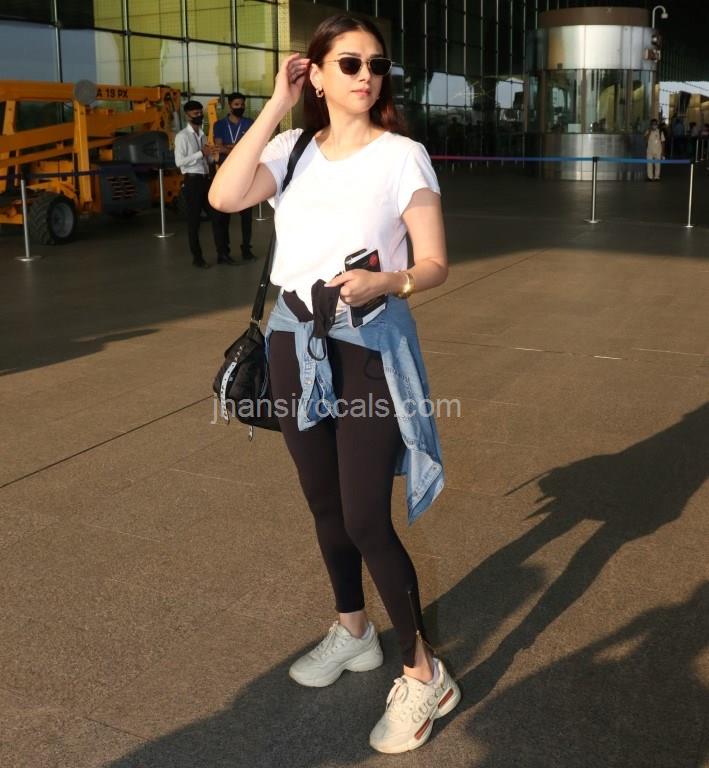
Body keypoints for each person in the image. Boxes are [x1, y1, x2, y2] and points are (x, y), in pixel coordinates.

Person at [209, 13, 460, 755]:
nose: (366, 76)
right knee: (322, 502)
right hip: (293, 341)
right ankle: (353, 629)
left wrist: (390, 280)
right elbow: (224, 196)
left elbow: (434, 262)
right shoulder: (288, 150)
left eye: (376, 65)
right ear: (314, 73)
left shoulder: (403, 156)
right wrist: (274, 106)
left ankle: (424, 674)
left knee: (363, 517)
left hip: (367, 345)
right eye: (348, 63)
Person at [174, 100, 220, 268]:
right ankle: (197, 258)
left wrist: (211, 156)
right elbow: (179, 162)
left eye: (201, 113)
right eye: (196, 113)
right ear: (187, 116)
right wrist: (201, 153)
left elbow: (206, 159)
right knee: (194, 222)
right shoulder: (182, 136)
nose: (199, 116)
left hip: (205, 180)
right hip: (192, 181)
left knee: (217, 217)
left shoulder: (202, 134)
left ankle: (222, 254)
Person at [212, 92, 256, 262]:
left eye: (242, 104)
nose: (240, 107)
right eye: (237, 104)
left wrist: (229, 148)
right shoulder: (219, 125)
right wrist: (238, 148)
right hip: (225, 175)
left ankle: (246, 249)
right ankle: (223, 252)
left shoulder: (250, 123)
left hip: (245, 174)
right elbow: (219, 147)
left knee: (247, 217)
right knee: (223, 217)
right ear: (230, 106)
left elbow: (251, 147)